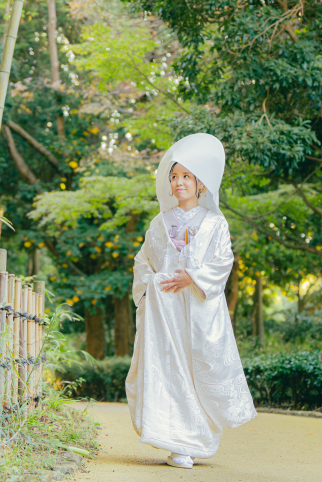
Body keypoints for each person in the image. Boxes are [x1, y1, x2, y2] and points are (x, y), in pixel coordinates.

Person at [126, 133, 257, 469]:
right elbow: (143, 263)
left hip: (199, 312)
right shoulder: (159, 223)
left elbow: (223, 261)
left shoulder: (215, 223)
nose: (179, 182)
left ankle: (195, 441)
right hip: (165, 314)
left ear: (200, 183)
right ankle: (176, 443)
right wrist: (154, 283)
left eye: (186, 176)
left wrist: (193, 278)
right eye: (174, 176)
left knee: (197, 373)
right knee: (169, 371)